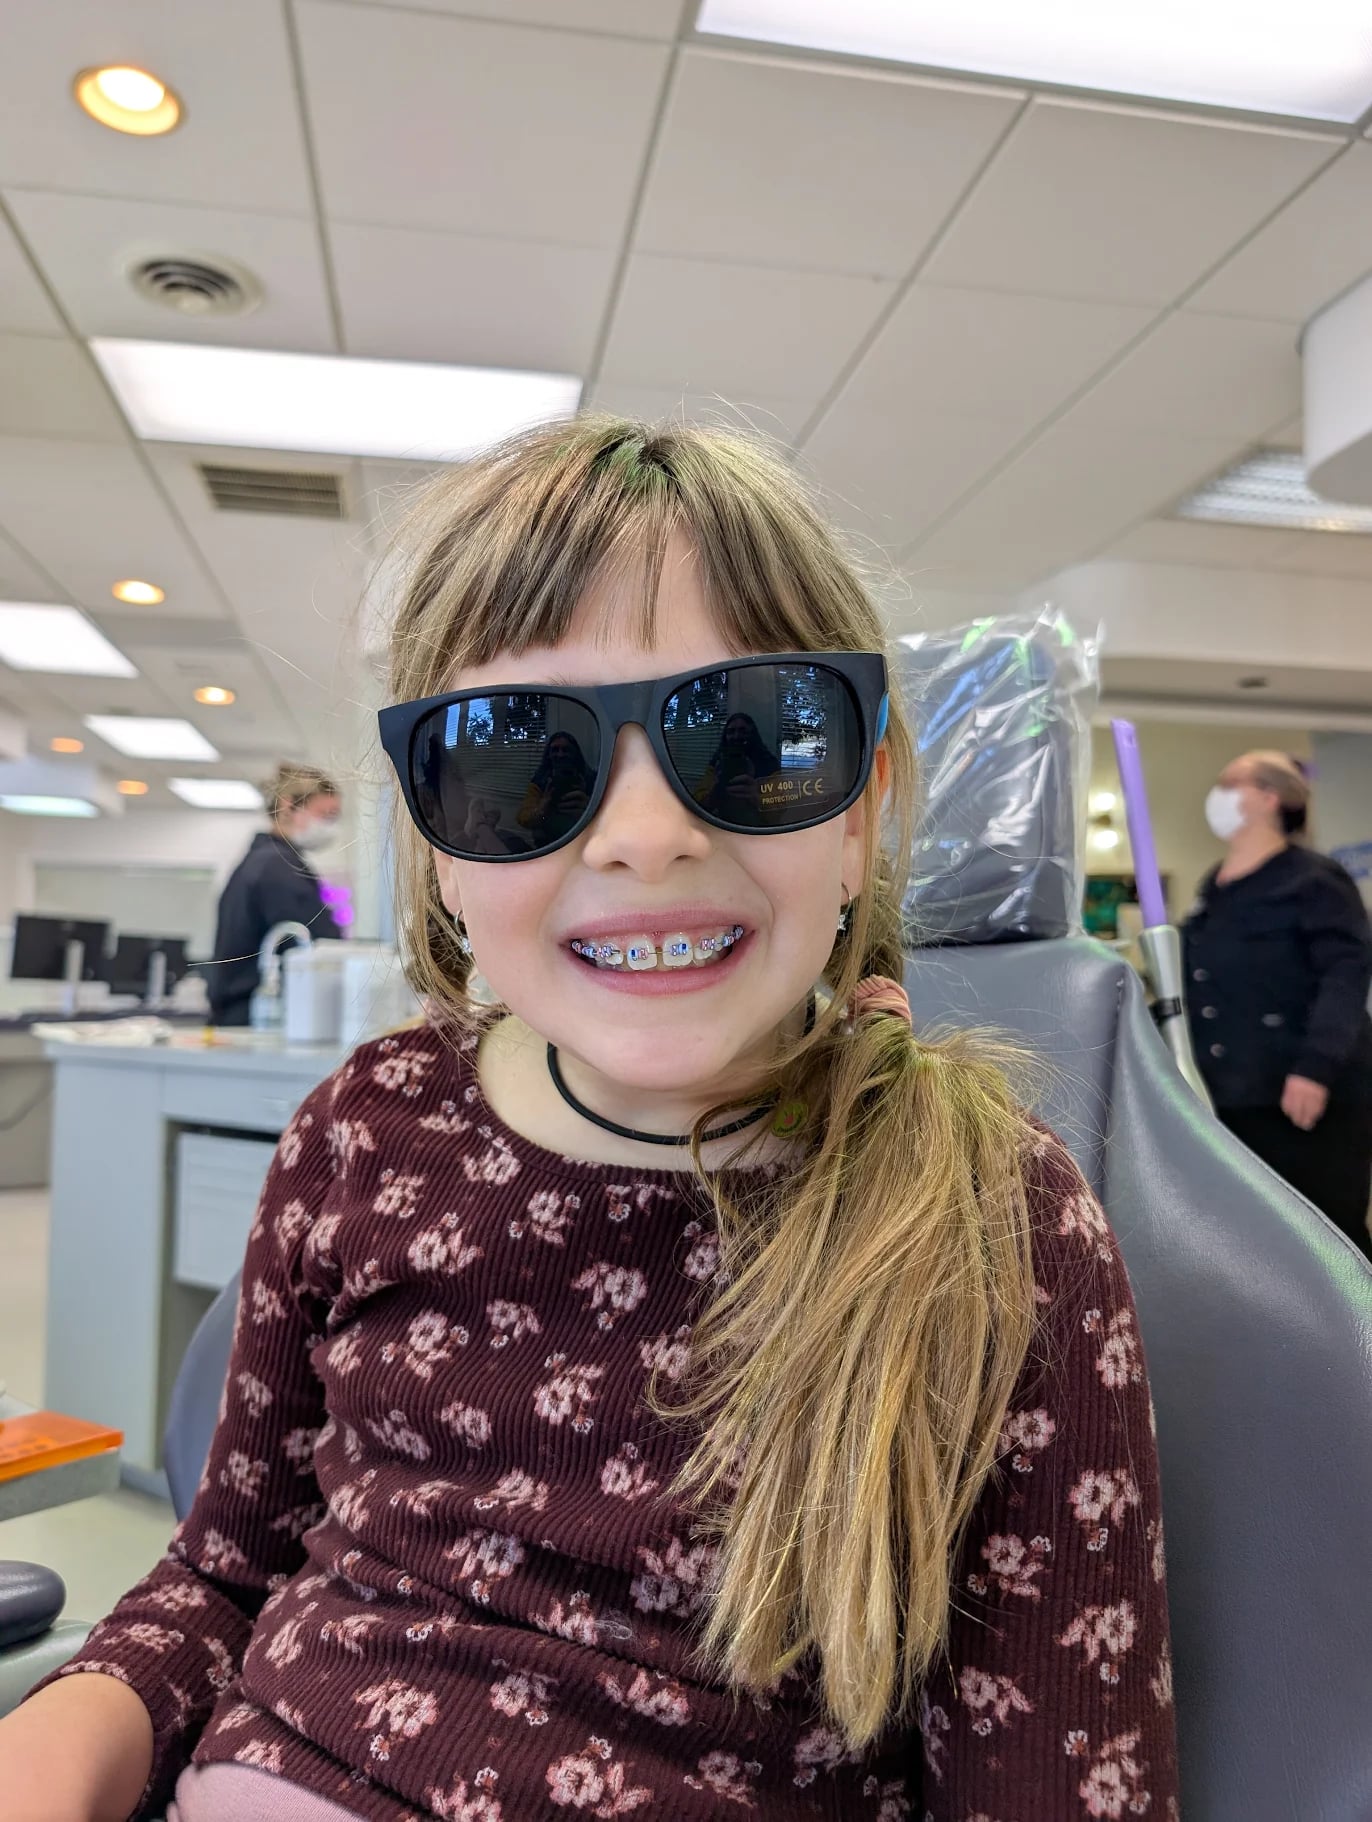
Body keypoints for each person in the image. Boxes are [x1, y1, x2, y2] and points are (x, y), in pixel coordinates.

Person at [1, 421, 1178, 1820]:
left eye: (751, 734)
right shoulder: (368, 1129)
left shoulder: (996, 1226)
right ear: (437, 852)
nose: (643, 831)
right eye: (516, 755)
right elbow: (225, 1574)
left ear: (863, 809)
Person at [1184, 749, 1372, 1259]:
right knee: (1252, 1242)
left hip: (1302, 1096)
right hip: (1232, 1095)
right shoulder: (1214, 887)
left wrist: (1315, 1069)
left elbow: (1346, 977)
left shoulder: (1313, 880)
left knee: (1324, 1237)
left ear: (1268, 797)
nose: (1217, 794)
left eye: (1230, 782)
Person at [206, 763, 345, 1026]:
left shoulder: (262, 861)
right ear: (289, 806)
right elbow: (322, 945)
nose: (330, 826)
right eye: (325, 815)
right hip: (252, 1016)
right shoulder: (278, 869)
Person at [692, 712, 783, 819]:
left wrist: (756, 798)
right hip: (721, 824)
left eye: (743, 731)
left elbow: (779, 810)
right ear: (725, 737)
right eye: (731, 731)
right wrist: (715, 793)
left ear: (753, 734)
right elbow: (697, 803)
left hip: (757, 830)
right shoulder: (717, 763)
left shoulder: (769, 764)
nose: (736, 736)